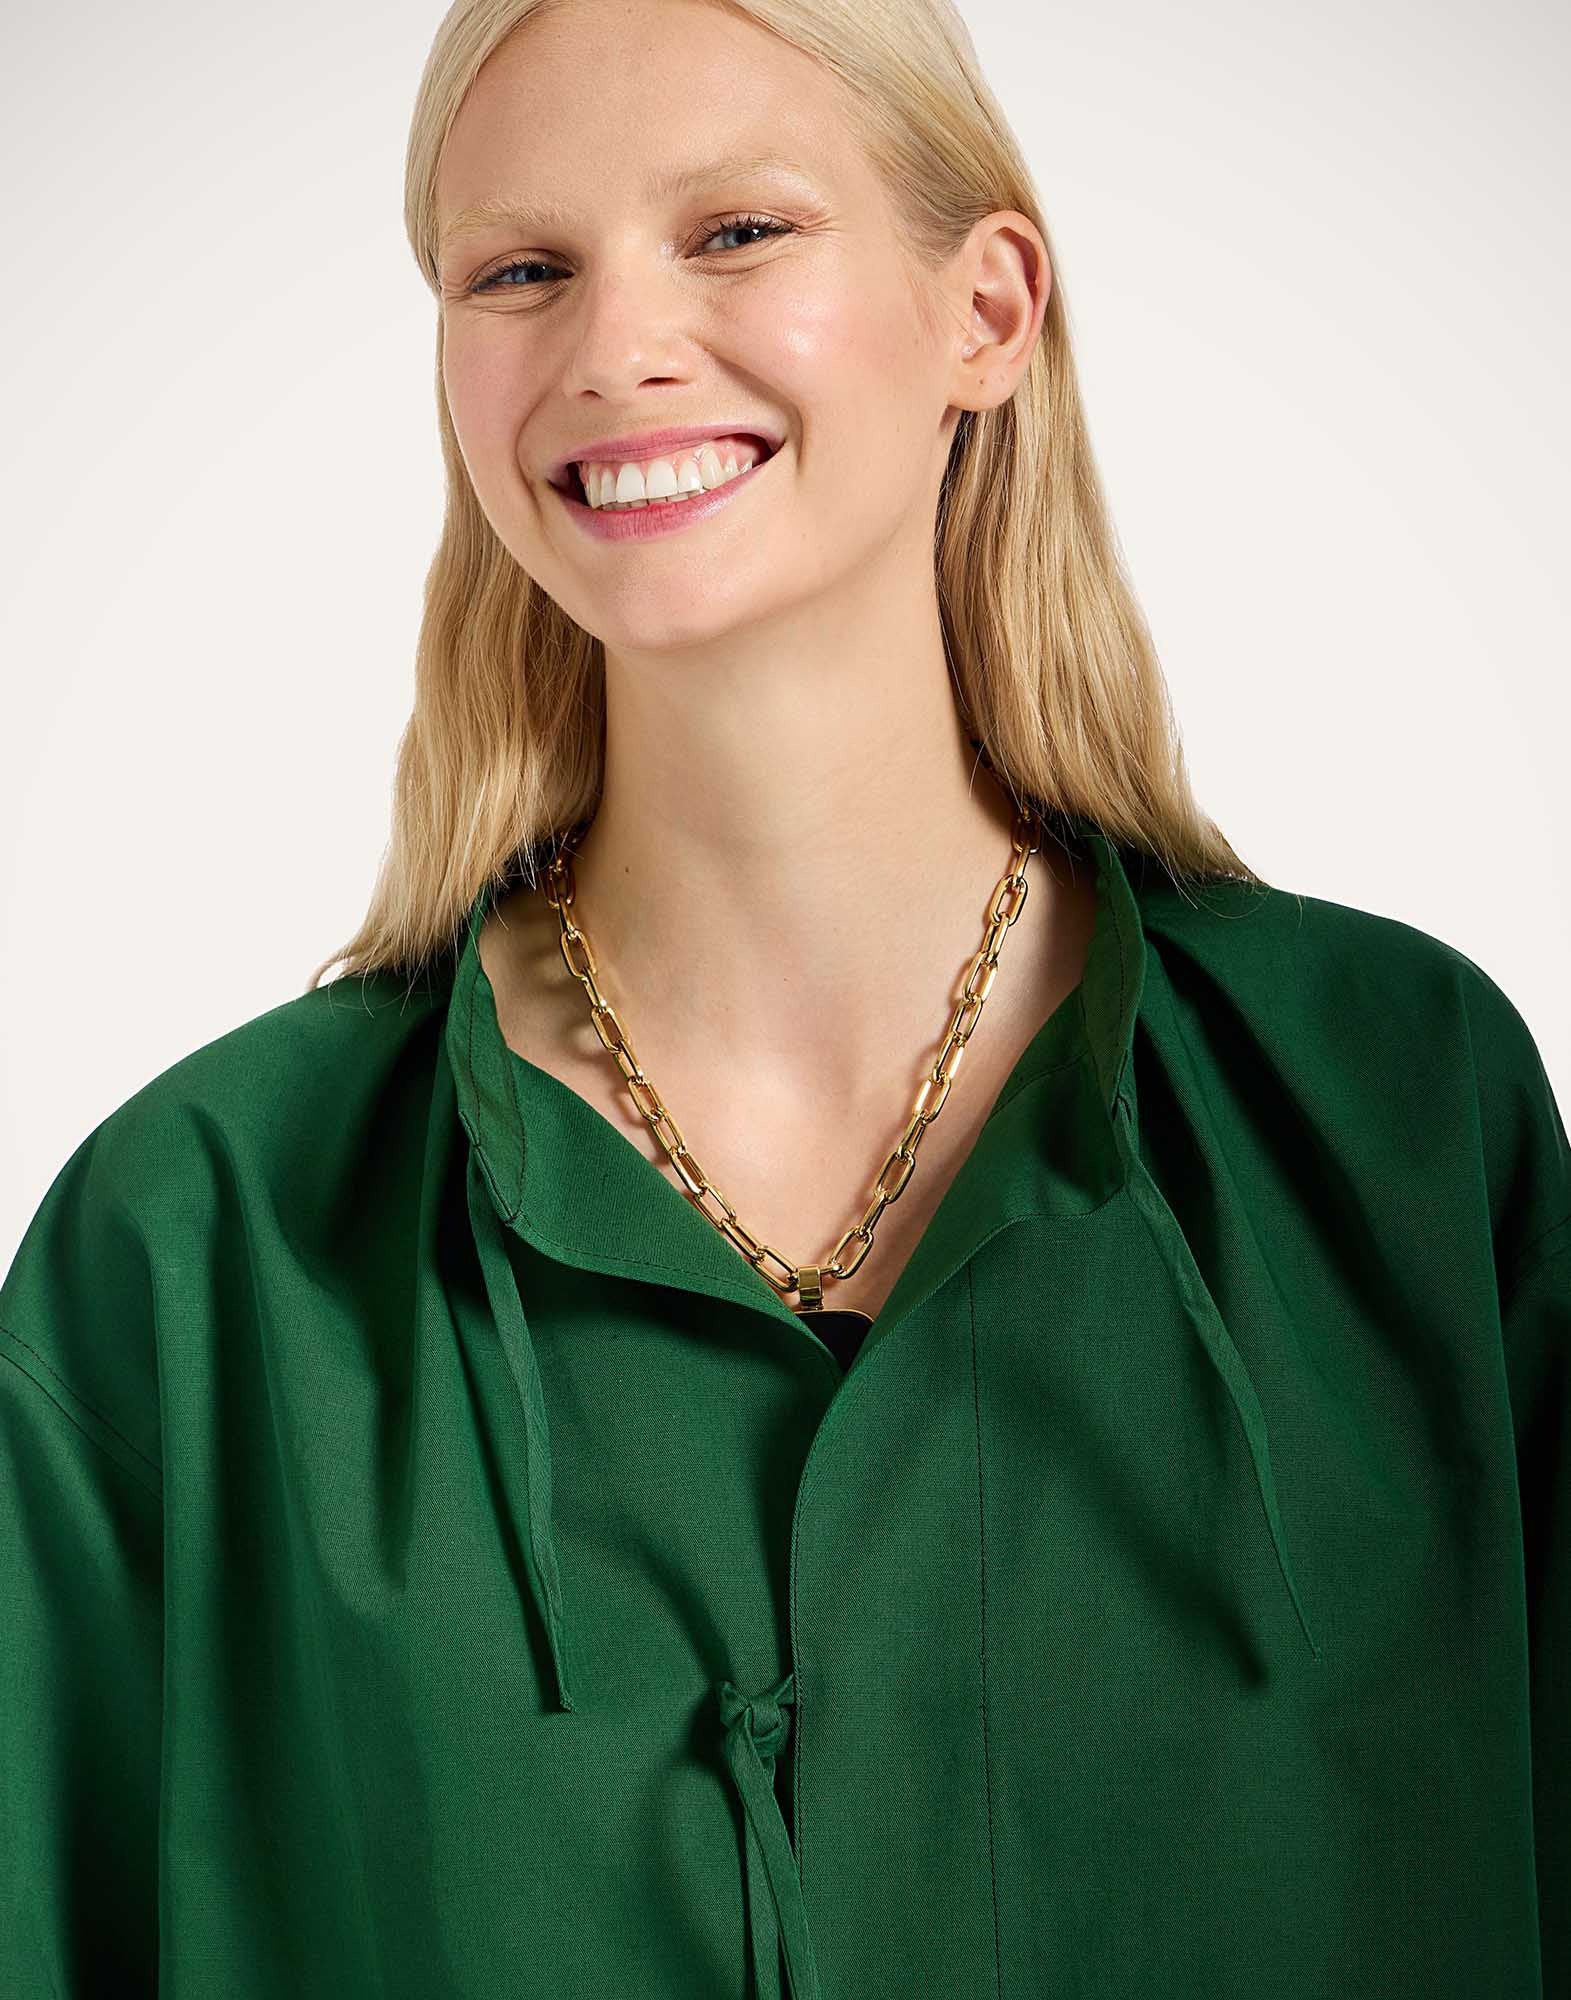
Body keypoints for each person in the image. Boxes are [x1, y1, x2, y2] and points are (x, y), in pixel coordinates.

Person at [2, 0, 1565, 1993]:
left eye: (736, 231)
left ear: (987, 309)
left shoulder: (1402, 1116)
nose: (614, 345)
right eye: (519, 270)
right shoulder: (192, 1249)